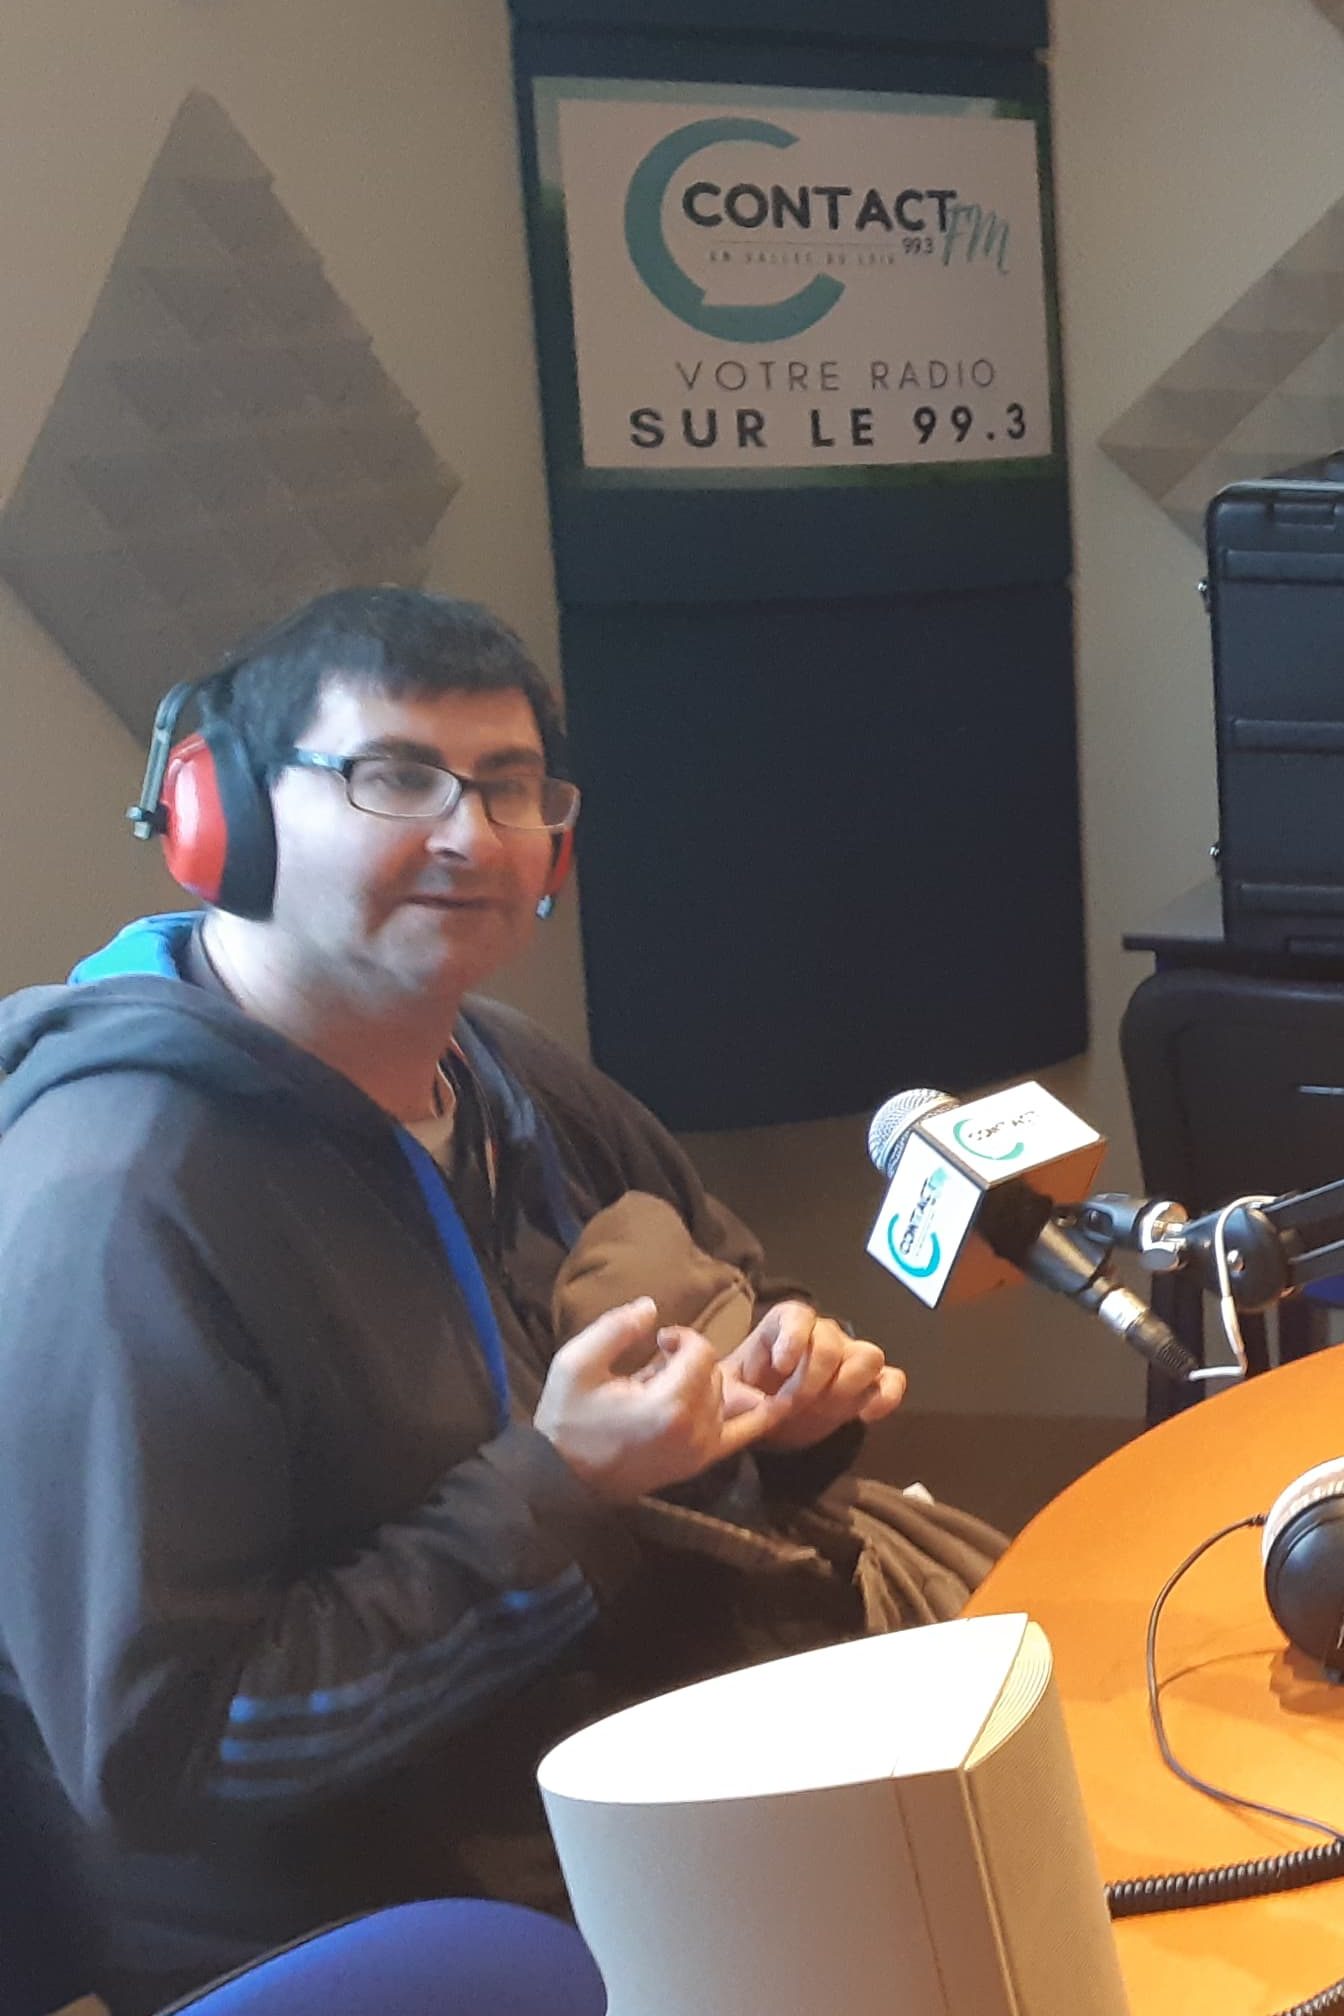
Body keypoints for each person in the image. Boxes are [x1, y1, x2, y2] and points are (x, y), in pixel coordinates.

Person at [0, 588, 910, 2011]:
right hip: (378, 1931)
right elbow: (164, 1755)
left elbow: (746, 1291)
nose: (470, 837)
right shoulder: (118, 1202)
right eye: (394, 777)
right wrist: (561, 1490)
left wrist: (785, 1404)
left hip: (615, 1775)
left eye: (507, 788)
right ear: (224, 818)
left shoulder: (508, 1071)